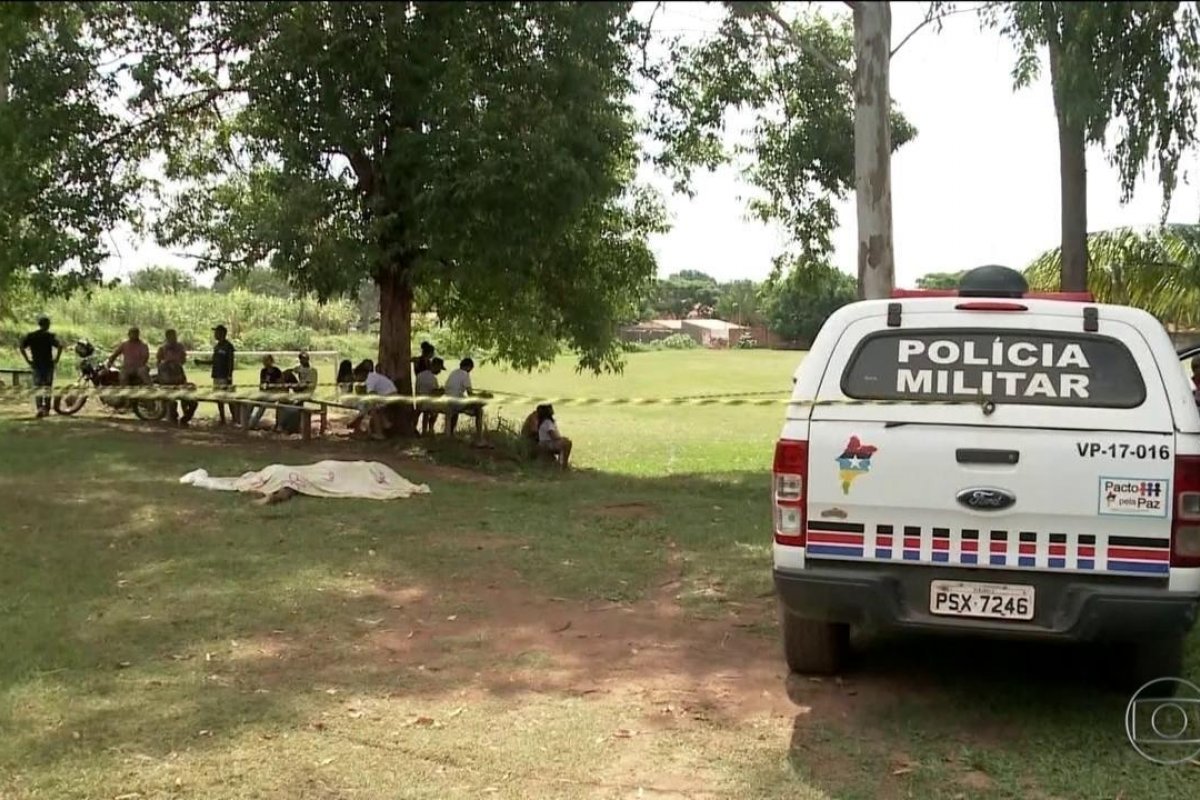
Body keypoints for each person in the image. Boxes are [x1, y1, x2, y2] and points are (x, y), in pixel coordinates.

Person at [19, 316, 63, 418]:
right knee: (47, 387)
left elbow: (21, 347)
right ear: (47, 325)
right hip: (48, 364)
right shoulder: (49, 336)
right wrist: (57, 359)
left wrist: (27, 360)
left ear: (39, 324)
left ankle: (39, 408)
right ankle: (46, 409)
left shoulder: (31, 336)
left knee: (37, 387)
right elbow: (60, 346)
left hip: (36, 365)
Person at [194, 324, 237, 425]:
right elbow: (214, 361)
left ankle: (235, 418)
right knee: (218, 398)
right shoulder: (217, 347)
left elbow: (230, 362)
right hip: (216, 375)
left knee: (229, 397)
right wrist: (201, 362)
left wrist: (229, 376)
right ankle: (222, 419)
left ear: (222, 333)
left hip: (224, 376)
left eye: (217, 332)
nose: (215, 334)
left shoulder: (228, 346)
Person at [349, 359, 398, 439]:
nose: (356, 379)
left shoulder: (370, 380)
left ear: (361, 374)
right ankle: (387, 426)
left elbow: (371, 396)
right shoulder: (372, 377)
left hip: (390, 395)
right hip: (388, 394)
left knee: (373, 410)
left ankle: (379, 433)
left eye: (357, 376)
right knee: (376, 408)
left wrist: (367, 408)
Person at [156, 329, 196, 425]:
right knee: (171, 401)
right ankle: (173, 417)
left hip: (179, 378)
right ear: (167, 337)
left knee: (192, 401)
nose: (173, 338)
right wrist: (166, 366)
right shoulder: (162, 349)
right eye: (171, 336)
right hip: (168, 382)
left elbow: (183, 360)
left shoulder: (180, 347)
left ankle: (185, 418)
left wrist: (176, 364)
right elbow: (158, 363)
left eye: (174, 336)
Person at [445, 357, 483, 438]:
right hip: (456, 401)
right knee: (479, 410)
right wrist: (481, 396)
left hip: (447, 400)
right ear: (468, 366)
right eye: (471, 369)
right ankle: (479, 437)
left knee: (457, 409)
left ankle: (451, 433)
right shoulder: (465, 374)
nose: (470, 371)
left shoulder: (453, 372)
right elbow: (470, 394)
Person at [247, 354, 284, 429]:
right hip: (264, 393)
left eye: (266, 361)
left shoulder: (277, 371)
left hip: (273, 394)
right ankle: (245, 421)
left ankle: (252, 424)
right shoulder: (263, 371)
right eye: (264, 361)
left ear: (271, 361)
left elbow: (280, 386)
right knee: (250, 402)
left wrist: (272, 392)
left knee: (263, 405)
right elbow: (261, 384)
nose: (265, 363)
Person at [536, 403, 572, 469]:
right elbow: (553, 435)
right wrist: (562, 438)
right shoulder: (547, 422)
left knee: (565, 442)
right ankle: (563, 464)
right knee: (567, 443)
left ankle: (561, 462)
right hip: (547, 443)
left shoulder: (543, 422)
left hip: (544, 443)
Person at [414, 356, 445, 434]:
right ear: (435, 366)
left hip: (419, 400)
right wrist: (442, 391)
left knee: (425, 412)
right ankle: (430, 428)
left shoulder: (420, 375)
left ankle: (422, 430)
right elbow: (434, 393)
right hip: (427, 402)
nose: (439, 371)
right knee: (440, 408)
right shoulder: (432, 378)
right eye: (439, 369)